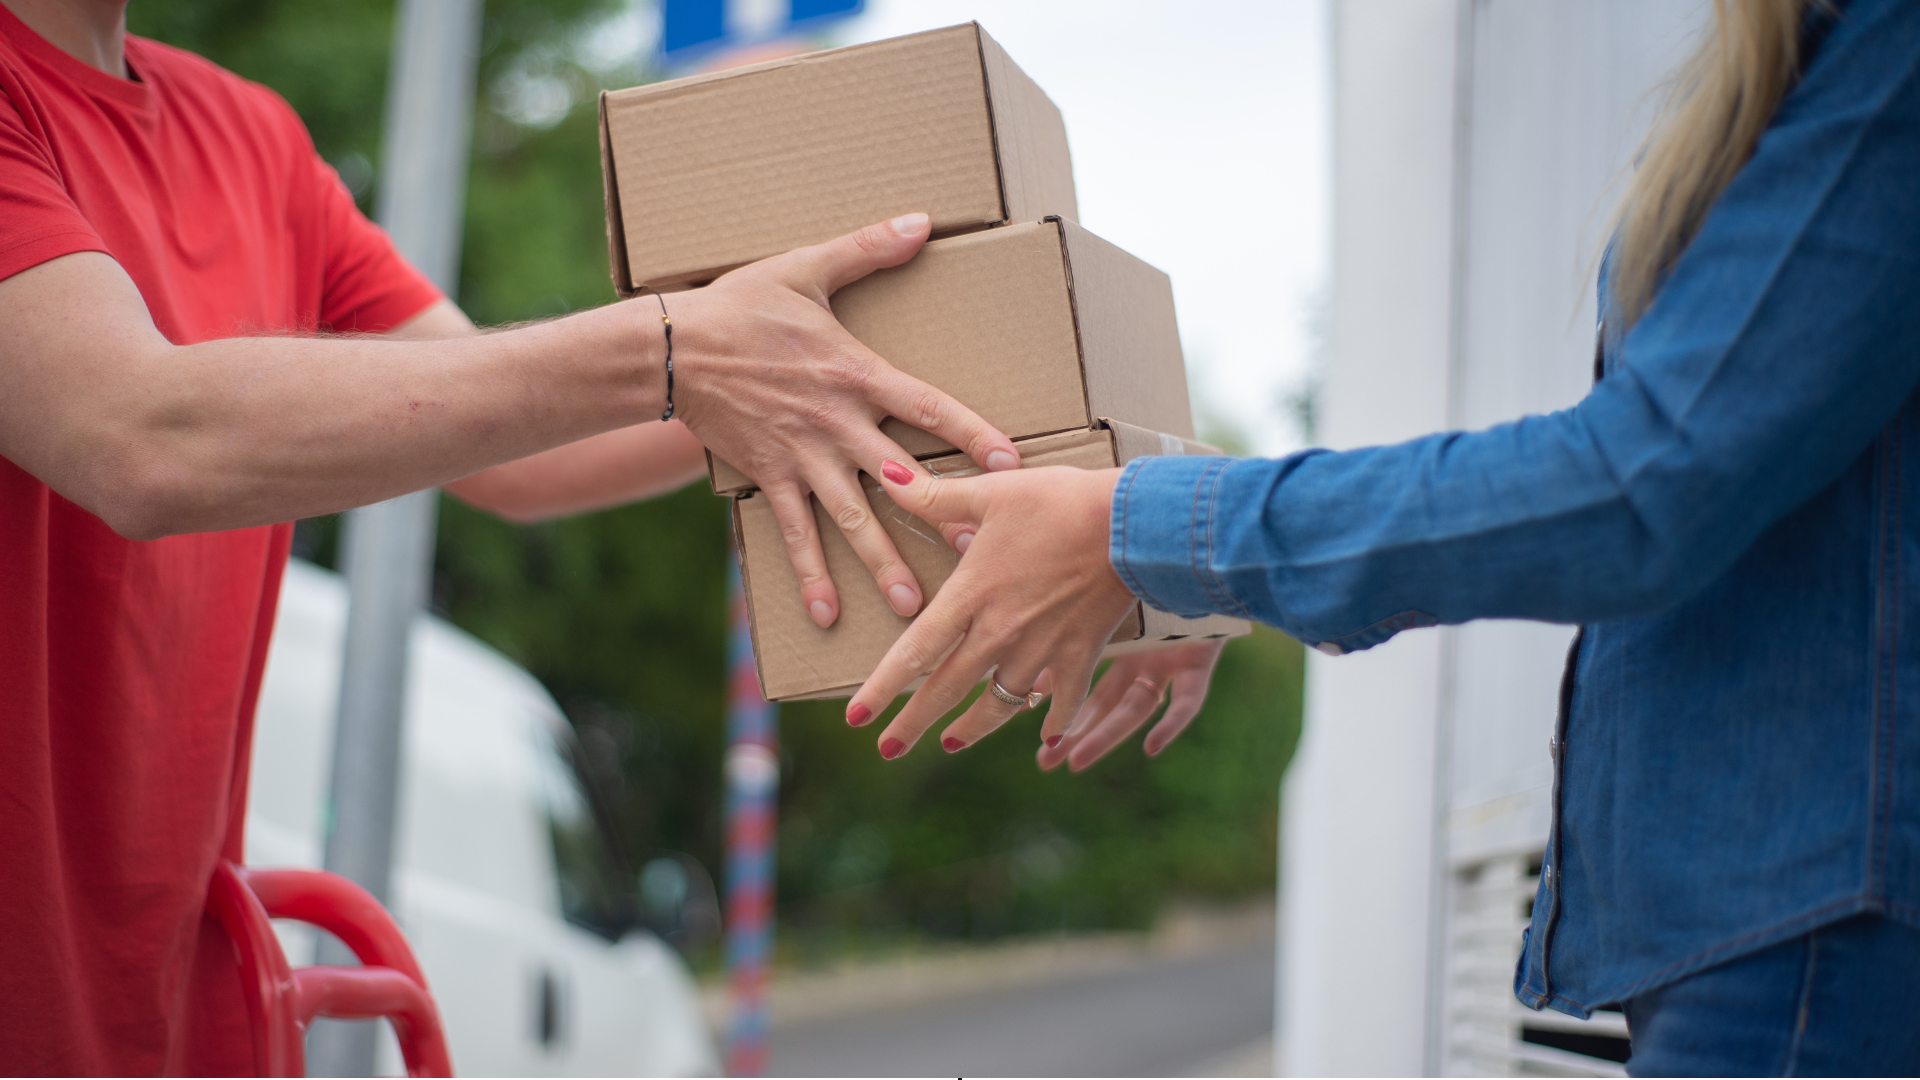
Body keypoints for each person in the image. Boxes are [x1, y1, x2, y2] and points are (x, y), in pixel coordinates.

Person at [849, 0, 1920, 1073]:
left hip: (1809, 937)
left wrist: (1140, 535)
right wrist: (1165, 566)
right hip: (1761, 928)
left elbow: (1637, 485)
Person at [0, 0, 1045, 1071]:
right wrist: (684, 349)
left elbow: (517, 448)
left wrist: (853, 366)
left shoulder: (248, 135)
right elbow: (135, 435)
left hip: (156, 1009)